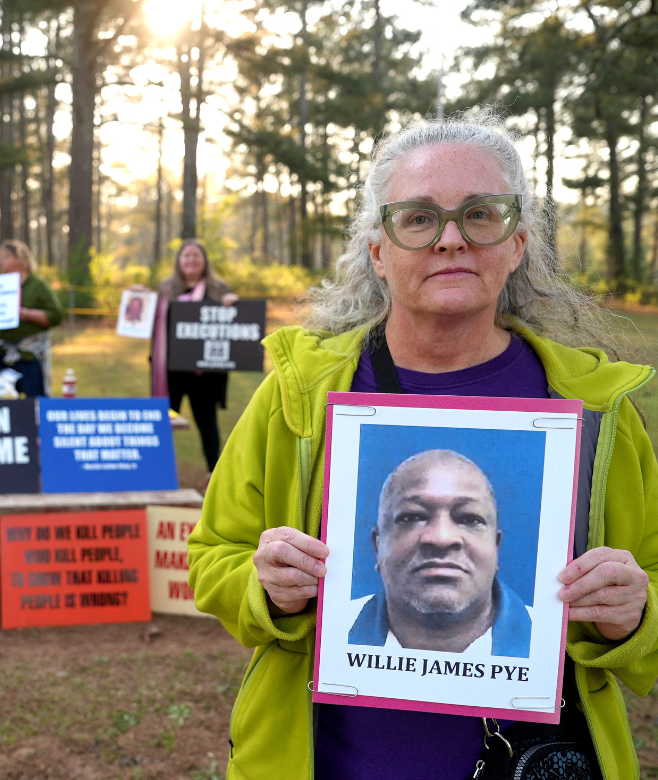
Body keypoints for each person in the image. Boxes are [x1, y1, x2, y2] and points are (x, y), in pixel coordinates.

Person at [187, 112, 656, 780]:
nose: (450, 240)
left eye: (480, 214)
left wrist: (635, 611)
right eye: (418, 218)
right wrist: (263, 586)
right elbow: (212, 556)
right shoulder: (300, 398)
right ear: (378, 250)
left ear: (517, 242)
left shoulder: (594, 411)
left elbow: (655, 580)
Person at [348, 449, 531, 658]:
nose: (441, 538)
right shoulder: (325, 631)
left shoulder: (556, 645)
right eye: (412, 517)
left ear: (496, 547)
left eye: (469, 518)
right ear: (378, 547)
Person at [146, 240, 238, 477]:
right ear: (179, 261)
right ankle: (157, 472)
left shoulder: (218, 289)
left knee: (207, 423)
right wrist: (140, 297)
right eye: (186, 256)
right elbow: (148, 318)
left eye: (196, 256)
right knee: (164, 423)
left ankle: (213, 475)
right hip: (169, 372)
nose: (191, 260)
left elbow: (234, 324)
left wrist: (232, 303)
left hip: (204, 374)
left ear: (205, 261)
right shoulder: (166, 289)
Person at [0, 239, 63, 397]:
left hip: (29, 357)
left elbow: (56, 315)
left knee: (34, 403)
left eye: (5, 257)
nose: (0, 262)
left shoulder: (38, 285)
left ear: (20, 258)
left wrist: (26, 314)